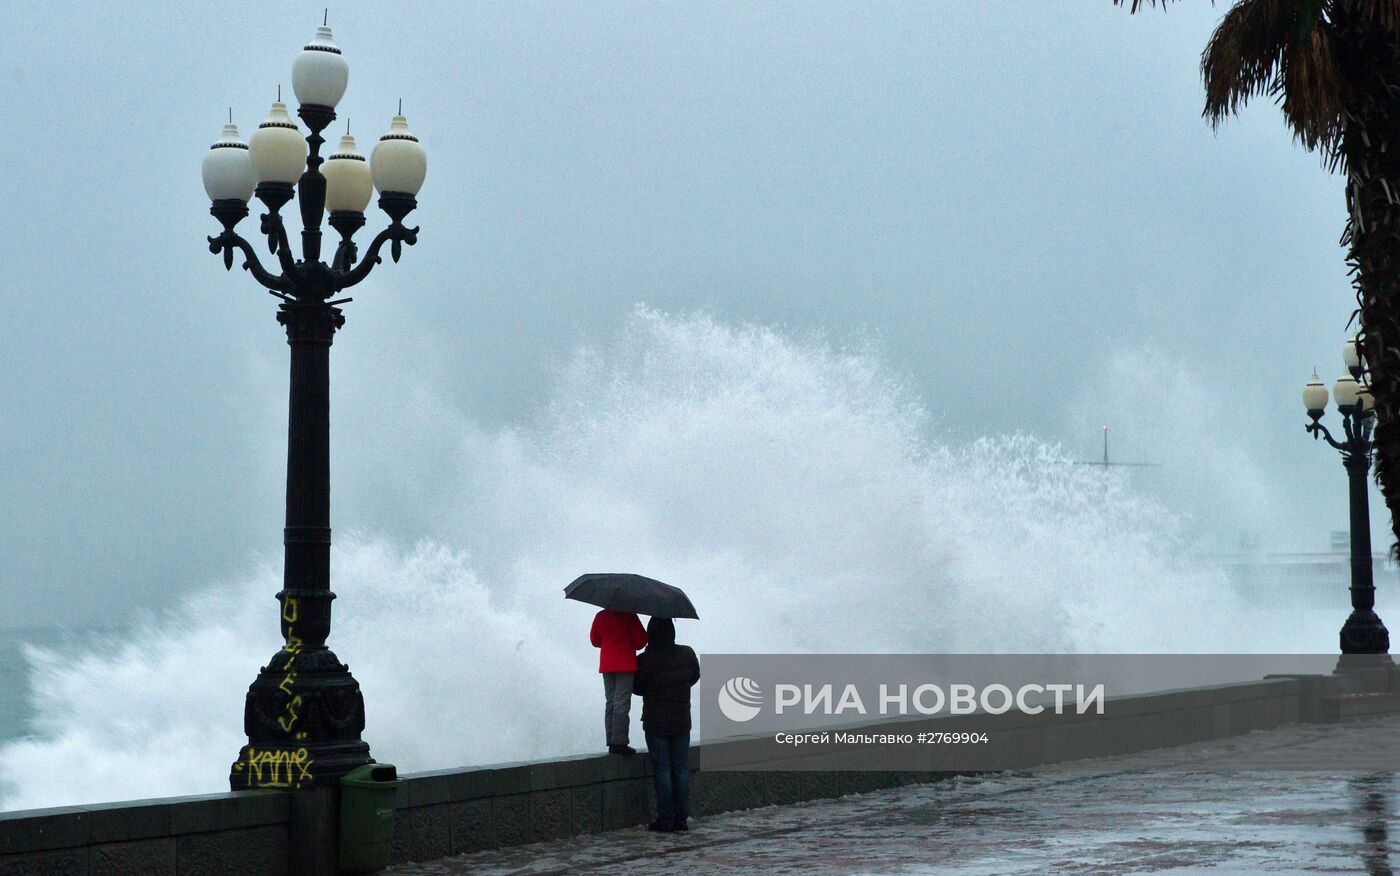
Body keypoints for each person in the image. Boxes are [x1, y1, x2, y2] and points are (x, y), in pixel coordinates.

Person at [632, 616, 700, 832]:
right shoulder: (687, 653)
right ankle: (681, 819)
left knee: (662, 770)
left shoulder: (645, 659)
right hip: (681, 720)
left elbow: (637, 687)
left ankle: (666, 820)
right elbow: (694, 676)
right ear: (672, 632)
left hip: (655, 723)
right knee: (680, 769)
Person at [590, 608, 648, 754]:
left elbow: (595, 641)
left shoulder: (601, 616)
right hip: (625, 664)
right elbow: (641, 641)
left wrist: (609, 641)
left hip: (607, 664)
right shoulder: (629, 615)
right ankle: (619, 742)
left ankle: (611, 740)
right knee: (621, 702)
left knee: (610, 702)